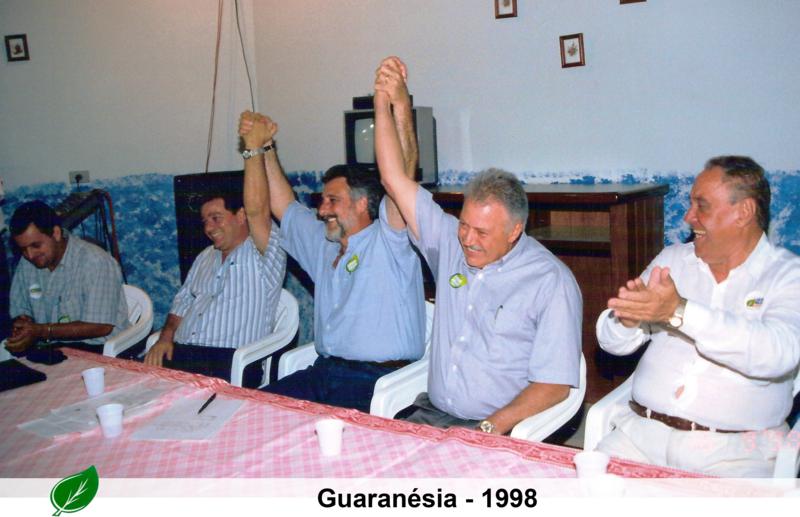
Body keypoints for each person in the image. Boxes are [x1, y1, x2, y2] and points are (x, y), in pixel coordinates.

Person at [374, 56, 582, 434]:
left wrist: (489, 427)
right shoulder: (448, 243)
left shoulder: (550, 281)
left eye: (482, 233)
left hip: (495, 427)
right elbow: (393, 178)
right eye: (465, 225)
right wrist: (390, 103)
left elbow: (554, 385)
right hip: (432, 414)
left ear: (515, 231)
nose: (468, 240)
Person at [596, 156, 800, 477]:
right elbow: (611, 343)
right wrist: (627, 320)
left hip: (736, 456)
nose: (688, 216)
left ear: (744, 212)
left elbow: (777, 355)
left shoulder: (788, 276)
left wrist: (679, 311)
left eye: (701, 206)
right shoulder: (674, 260)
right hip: (639, 438)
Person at [238, 101, 425, 413]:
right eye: (322, 200)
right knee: (250, 411)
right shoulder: (323, 242)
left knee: (323, 435)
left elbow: (403, 175)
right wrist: (265, 145)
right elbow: (283, 205)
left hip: (378, 381)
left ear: (362, 204)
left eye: (333, 200)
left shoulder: (389, 240)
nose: (322, 210)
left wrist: (400, 104)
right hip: (324, 372)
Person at [144, 118, 286, 387]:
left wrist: (254, 149)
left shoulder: (264, 253)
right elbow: (181, 304)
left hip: (229, 361)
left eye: (216, 218)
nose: (209, 228)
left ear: (241, 216)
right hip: (183, 352)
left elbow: (258, 210)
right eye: (205, 221)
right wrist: (165, 338)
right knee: (134, 388)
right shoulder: (205, 257)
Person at [8, 200, 129, 355]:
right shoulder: (26, 263)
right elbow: (21, 308)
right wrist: (23, 324)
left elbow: (101, 326)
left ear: (56, 233)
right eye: (23, 249)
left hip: (100, 349)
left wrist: (40, 331)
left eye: (36, 246)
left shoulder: (96, 261)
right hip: (50, 346)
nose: (30, 255)